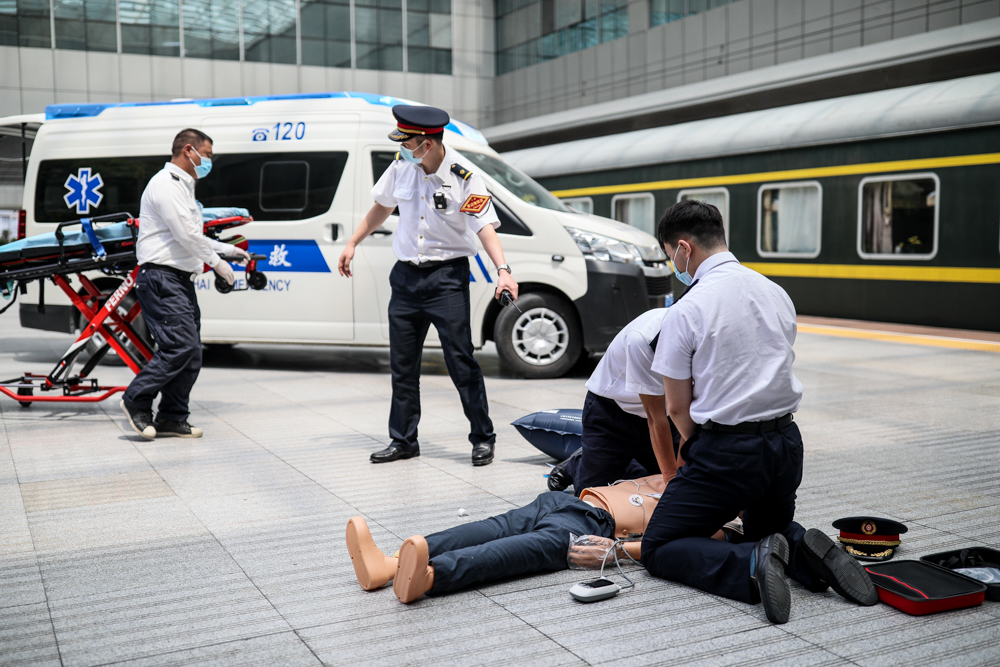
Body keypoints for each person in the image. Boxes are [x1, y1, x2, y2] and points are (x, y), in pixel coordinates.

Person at [640, 200, 877, 624]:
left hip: (729, 453)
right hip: (786, 448)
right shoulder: (775, 292)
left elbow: (675, 406)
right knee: (767, 529)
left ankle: (750, 562)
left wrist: (702, 452)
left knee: (659, 545)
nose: (674, 265)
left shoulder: (687, 309)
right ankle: (801, 550)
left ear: (683, 248)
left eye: (670, 254)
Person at [338, 105, 518, 467]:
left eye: (408, 143)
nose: (403, 148)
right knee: (403, 365)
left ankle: (483, 437)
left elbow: (484, 227)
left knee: (460, 361)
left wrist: (503, 270)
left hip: (447, 279)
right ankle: (404, 440)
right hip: (405, 278)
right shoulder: (402, 166)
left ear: (428, 143)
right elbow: (382, 206)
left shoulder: (465, 176)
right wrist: (353, 242)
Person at [345, 475, 742, 603]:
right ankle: (389, 565)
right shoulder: (692, 474)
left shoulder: (715, 522)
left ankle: (431, 576)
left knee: (513, 552)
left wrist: (618, 552)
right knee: (490, 527)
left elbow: (667, 548)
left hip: (593, 528)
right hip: (566, 501)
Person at [120, 128, 248, 439]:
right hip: (161, 278)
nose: (209, 162)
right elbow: (185, 235)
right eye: (207, 155)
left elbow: (192, 236)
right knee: (180, 346)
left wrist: (227, 250)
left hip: (179, 280)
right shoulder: (166, 184)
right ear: (189, 150)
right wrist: (217, 264)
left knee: (191, 354)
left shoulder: (184, 186)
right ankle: (136, 399)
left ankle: (172, 417)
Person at [546, 308, 682, 494]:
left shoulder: (705, 338)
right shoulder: (642, 338)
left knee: (683, 477)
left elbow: (689, 413)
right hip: (612, 413)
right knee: (593, 496)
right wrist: (672, 478)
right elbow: (655, 418)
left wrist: (682, 474)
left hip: (665, 415)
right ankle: (578, 463)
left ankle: (627, 462)